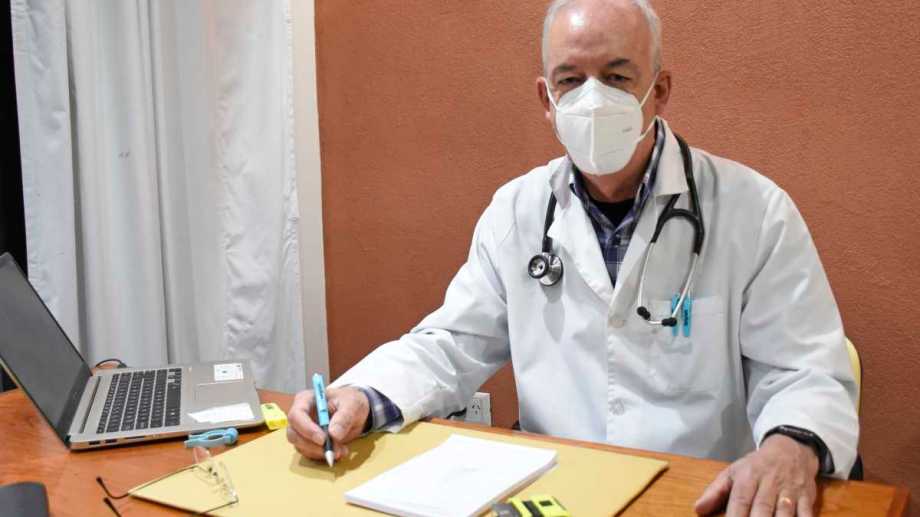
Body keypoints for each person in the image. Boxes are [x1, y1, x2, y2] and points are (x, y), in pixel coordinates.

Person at [287, 0, 859, 515]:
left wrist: (792, 445)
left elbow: (803, 369)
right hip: (557, 491)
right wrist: (361, 396)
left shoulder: (753, 211)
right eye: (571, 79)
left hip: (698, 494)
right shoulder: (518, 210)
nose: (593, 98)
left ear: (659, 90)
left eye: (617, 77)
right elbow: (453, 343)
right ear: (547, 99)